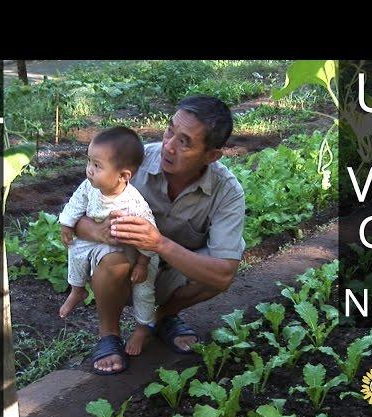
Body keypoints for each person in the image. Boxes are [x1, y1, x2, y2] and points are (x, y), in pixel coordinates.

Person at [74, 95, 245, 374]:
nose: (169, 145)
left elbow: (224, 274)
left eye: (184, 142)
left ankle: (159, 317)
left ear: (211, 156)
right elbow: (73, 218)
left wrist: (158, 243)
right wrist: (99, 231)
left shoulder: (226, 191)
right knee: (111, 256)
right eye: (170, 131)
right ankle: (109, 336)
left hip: (170, 275)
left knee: (215, 273)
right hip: (124, 271)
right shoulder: (133, 162)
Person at [58, 126, 160, 374]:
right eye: (89, 162)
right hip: (98, 242)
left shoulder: (133, 204)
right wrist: (66, 223)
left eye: (97, 165)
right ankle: (77, 289)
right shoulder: (89, 186)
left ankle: (142, 328)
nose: (89, 170)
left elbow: (149, 235)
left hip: (134, 253)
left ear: (123, 176)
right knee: (75, 249)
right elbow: (76, 202)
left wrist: (142, 264)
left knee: (144, 292)